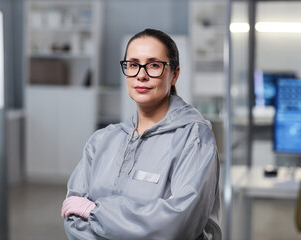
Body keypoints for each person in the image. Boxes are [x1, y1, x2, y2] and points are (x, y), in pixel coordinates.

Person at [61, 28, 222, 240]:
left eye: (154, 65)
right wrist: (151, 218)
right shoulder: (101, 142)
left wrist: (93, 211)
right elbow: (73, 221)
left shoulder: (195, 139)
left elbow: (176, 226)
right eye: (133, 64)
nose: (141, 75)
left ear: (174, 74)